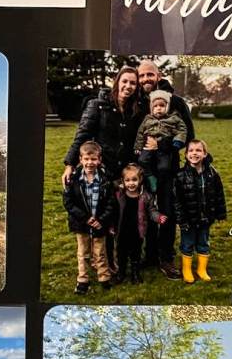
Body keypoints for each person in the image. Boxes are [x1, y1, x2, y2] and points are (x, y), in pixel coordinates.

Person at [63, 66, 143, 274]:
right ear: (117, 82)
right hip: (103, 171)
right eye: (125, 81)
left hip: (124, 172)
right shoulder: (97, 105)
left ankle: (120, 259)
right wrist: (70, 164)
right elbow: (82, 134)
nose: (128, 86)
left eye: (133, 83)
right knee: (104, 218)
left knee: (120, 218)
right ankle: (106, 264)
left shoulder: (136, 109)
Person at [137, 60, 194, 280]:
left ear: (158, 75)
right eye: (142, 76)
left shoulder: (177, 102)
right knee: (148, 211)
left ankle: (166, 257)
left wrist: (161, 145)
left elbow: (188, 134)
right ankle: (150, 255)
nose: (145, 80)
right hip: (145, 170)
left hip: (168, 169)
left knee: (167, 212)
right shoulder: (140, 102)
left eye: (149, 75)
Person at [63, 141, 117, 294]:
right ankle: (83, 280)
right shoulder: (73, 180)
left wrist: (101, 220)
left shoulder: (106, 180)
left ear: (99, 160)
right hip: (82, 224)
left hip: (100, 223)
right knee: (83, 253)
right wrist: (86, 218)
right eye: (86, 159)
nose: (90, 163)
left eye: (93, 159)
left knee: (100, 252)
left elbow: (110, 203)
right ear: (80, 159)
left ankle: (104, 277)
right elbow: (68, 203)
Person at [173, 139, 227, 284]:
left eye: (198, 150)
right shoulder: (181, 176)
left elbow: (219, 194)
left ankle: (201, 270)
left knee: (203, 243)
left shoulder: (212, 173)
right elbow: (177, 201)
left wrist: (221, 213)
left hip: (206, 217)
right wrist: (181, 219)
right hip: (189, 219)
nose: (194, 153)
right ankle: (186, 269)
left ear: (204, 154)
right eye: (191, 151)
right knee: (187, 244)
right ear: (185, 155)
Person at [114, 163, 166, 284]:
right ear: (123, 181)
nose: (131, 183)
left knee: (135, 253)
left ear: (140, 180)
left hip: (137, 231)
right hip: (122, 230)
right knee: (121, 253)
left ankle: (135, 273)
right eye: (127, 180)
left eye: (134, 180)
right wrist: (112, 227)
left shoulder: (146, 196)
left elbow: (152, 210)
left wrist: (158, 217)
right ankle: (121, 273)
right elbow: (114, 213)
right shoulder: (119, 195)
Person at [135, 89, 187, 191]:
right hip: (148, 145)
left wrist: (177, 141)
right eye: (156, 106)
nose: (159, 108)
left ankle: (161, 184)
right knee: (141, 160)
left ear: (167, 107)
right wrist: (138, 146)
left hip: (163, 148)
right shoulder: (147, 119)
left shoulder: (173, 118)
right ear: (151, 108)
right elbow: (140, 133)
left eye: (162, 106)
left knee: (164, 167)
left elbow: (182, 129)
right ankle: (150, 177)